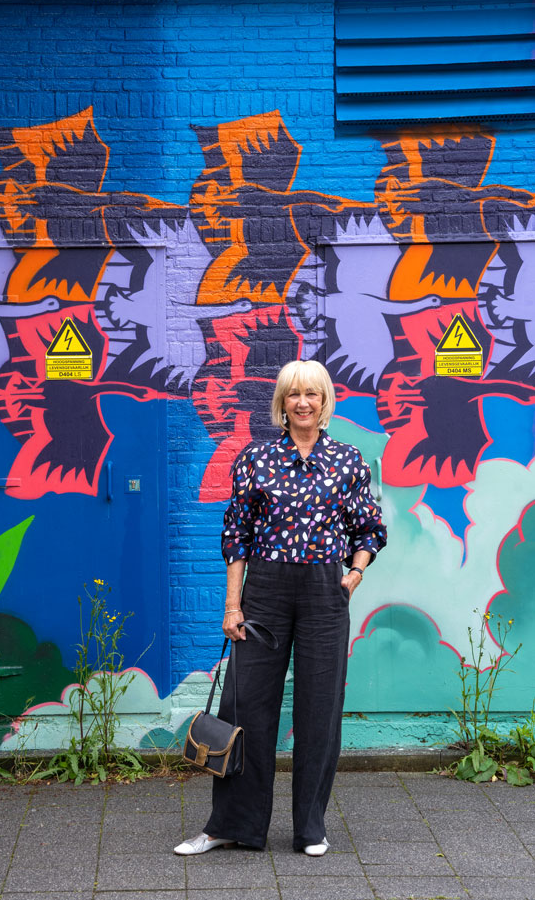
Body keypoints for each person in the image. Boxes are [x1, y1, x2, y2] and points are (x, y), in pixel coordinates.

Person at [174, 359, 387, 857]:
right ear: (281, 404)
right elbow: (236, 537)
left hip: (323, 592)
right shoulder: (255, 459)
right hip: (265, 589)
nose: (303, 403)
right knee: (245, 707)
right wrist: (232, 606)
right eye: (293, 394)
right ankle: (233, 825)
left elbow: (370, 529)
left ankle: (311, 828)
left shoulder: (348, 460)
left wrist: (352, 576)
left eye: (312, 394)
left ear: (325, 401)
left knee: (319, 710)